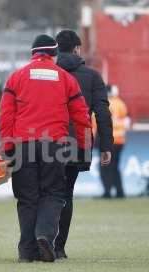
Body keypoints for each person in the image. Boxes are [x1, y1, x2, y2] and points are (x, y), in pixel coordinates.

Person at [0, 34, 92, 263]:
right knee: (53, 194)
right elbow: (81, 117)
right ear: (54, 53)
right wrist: (83, 147)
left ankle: (26, 251)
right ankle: (45, 236)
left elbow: (6, 116)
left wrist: (8, 147)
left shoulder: (16, 77)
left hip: (23, 145)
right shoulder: (66, 79)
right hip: (55, 145)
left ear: (33, 53)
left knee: (27, 198)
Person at [55, 30, 114, 259]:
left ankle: (43, 240)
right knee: (66, 194)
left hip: (48, 140)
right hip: (80, 141)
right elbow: (102, 112)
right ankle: (59, 248)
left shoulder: (51, 74)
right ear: (77, 49)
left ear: (57, 49)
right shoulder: (92, 76)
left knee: (48, 192)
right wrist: (106, 145)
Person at [100, 85, 128, 199]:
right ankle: (119, 191)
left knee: (106, 167)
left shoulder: (104, 104)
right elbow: (126, 121)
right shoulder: (121, 104)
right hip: (120, 140)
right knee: (115, 167)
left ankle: (107, 192)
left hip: (108, 141)